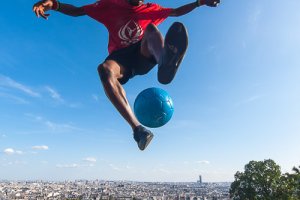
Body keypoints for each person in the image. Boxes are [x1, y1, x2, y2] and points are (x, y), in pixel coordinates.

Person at [33, 0, 220, 151]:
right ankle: (138, 130)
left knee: (151, 30)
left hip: (143, 53)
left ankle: (165, 62)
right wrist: (53, 4)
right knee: (104, 69)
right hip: (121, 59)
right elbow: (77, 11)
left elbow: (176, 12)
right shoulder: (109, 5)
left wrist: (199, 3)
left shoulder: (151, 9)